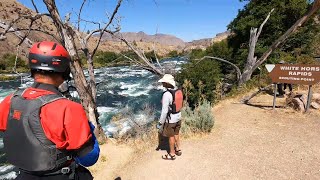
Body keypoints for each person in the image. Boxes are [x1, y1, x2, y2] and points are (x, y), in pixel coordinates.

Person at [0, 41, 99, 180]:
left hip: (23, 175)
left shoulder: (9, 101)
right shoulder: (69, 108)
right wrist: (90, 131)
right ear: (65, 69)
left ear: (32, 67)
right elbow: (89, 159)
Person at [157, 74, 183, 160]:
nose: (162, 83)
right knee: (176, 133)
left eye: (164, 82)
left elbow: (164, 111)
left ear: (167, 83)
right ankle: (178, 149)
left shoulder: (166, 94)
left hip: (171, 119)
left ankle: (172, 154)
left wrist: (160, 123)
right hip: (179, 116)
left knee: (171, 136)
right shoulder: (178, 90)